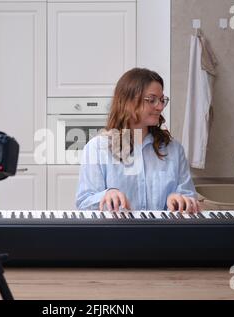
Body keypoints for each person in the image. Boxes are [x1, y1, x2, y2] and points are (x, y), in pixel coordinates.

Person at [76, 68, 200, 213]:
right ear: (128, 102)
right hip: (116, 234)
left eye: (161, 100)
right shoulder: (97, 148)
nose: (160, 106)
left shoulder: (174, 149)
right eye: (151, 100)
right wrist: (106, 195)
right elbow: (84, 203)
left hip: (164, 234)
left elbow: (189, 196)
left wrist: (179, 200)